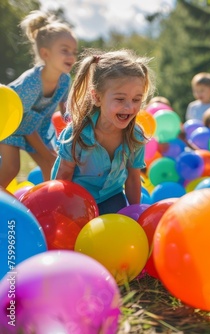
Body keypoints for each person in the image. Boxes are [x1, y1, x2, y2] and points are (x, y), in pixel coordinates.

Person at [51, 49, 154, 214]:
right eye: (120, 99)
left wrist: (136, 212)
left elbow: (133, 178)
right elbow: (64, 175)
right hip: (76, 197)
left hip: (111, 196)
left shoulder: (135, 135)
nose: (130, 107)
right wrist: (60, 210)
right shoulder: (77, 134)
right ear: (97, 98)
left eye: (136, 99)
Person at [0, 10, 77, 188]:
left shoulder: (64, 80)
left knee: (52, 167)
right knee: (11, 168)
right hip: (11, 124)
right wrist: (47, 152)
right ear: (45, 54)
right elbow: (24, 125)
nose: (71, 56)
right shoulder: (32, 83)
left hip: (37, 127)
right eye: (64, 51)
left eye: (74, 51)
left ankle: (46, 205)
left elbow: (66, 112)